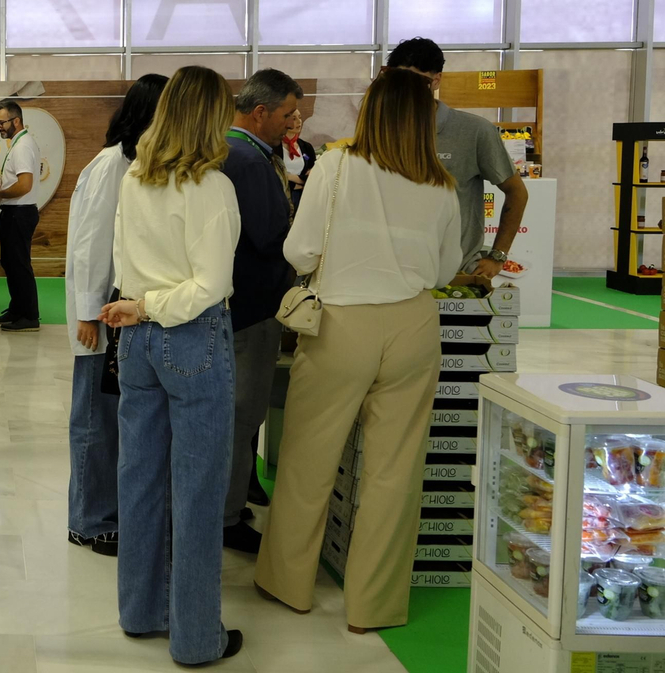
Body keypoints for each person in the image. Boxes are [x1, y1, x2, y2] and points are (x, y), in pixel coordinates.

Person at [255, 70, 463, 633]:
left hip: (341, 323)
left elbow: (299, 251)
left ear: (370, 112)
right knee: (396, 473)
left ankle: (288, 584)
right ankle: (375, 605)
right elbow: (446, 270)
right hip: (415, 326)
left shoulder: (337, 166)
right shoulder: (441, 184)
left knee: (306, 460)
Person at [98, 65, 243, 667]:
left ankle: (141, 611)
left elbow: (118, 255)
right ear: (211, 117)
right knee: (199, 490)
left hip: (137, 340)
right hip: (192, 339)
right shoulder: (211, 188)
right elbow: (211, 284)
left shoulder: (135, 176)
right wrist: (154, 305)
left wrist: (137, 306)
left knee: (140, 480)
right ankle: (195, 638)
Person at [63, 73, 167, 558]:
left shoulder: (139, 163)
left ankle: (108, 510)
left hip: (122, 314)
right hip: (101, 316)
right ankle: (88, 520)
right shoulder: (111, 164)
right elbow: (90, 243)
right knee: (93, 417)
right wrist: (88, 312)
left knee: (113, 415)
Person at [218, 68, 302, 554]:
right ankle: (227, 517)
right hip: (252, 304)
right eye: (288, 114)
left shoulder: (239, 153)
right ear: (260, 112)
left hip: (240, 301)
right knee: (243, 412)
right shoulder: (247, 160)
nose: (294, 124)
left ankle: (232, 503)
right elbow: (270, 236)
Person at [384, 37, 527, 276]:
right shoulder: (382, 130)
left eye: (416, 81)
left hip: (456, 273)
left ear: (436, 80)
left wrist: (497, 256)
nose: (406, 89)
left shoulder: (474, 131)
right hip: (395, 272)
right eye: (399, 80)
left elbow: (517, 192)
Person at [0, 99, 42, 333]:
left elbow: (25, 185)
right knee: (10, 263)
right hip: (14, 211)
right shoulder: (19, 143)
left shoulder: (22, 146)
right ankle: (17, 308)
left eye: (1, 122)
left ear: (16, 120)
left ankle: (29, 315)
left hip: (19, 212)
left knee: (19, 264)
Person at [282, 108, 317, 212]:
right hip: (283, 195)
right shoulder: (275, 147)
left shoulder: (306, 147)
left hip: (303, 195)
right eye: (294, 118)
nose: (299, 121)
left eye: (300, 117)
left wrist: (291, 177)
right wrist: (296, 183)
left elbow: (314, 172)